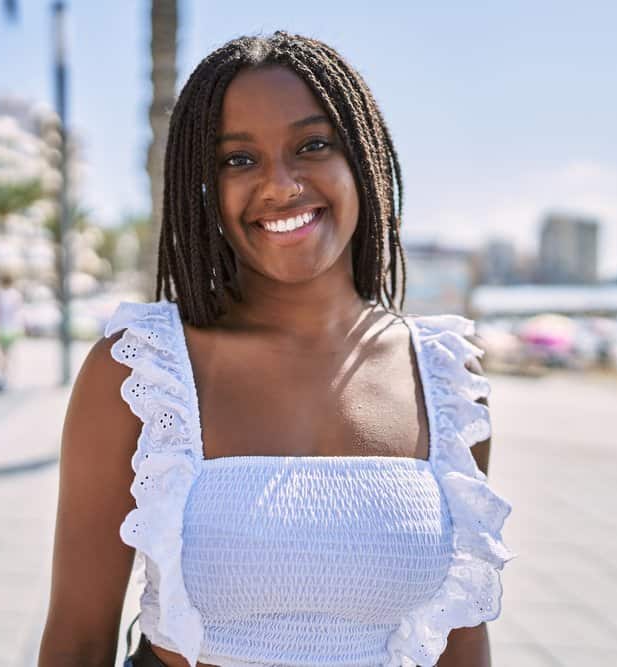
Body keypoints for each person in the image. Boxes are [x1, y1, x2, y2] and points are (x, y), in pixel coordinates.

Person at [40, 33, 512, 667]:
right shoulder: (143, 370)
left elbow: (462, 638)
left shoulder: (446, 377)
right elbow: (76, 640)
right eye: (238, 159)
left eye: (313, 145)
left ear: (361, 160)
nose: (280, 184)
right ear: (201, 184)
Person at [0, 272, 23, 392]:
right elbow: (18, 313)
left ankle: (1, 376)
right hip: (11, 329)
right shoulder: (15, 294)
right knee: (7, 354)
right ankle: (5, 377)